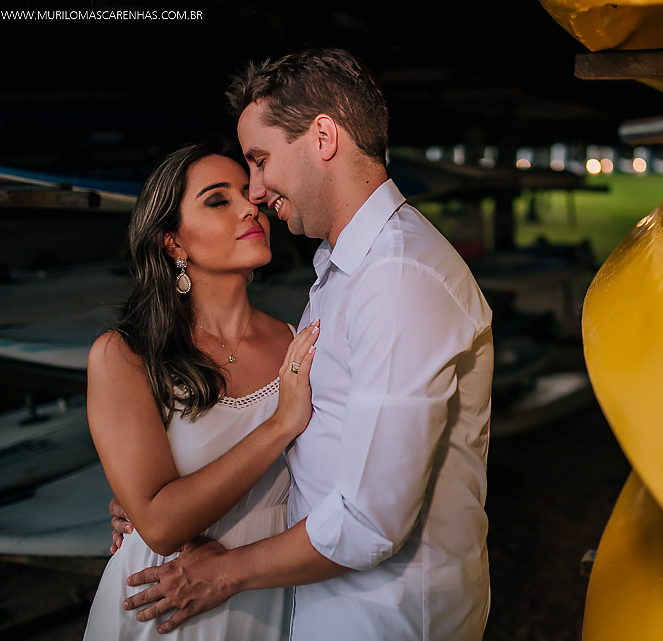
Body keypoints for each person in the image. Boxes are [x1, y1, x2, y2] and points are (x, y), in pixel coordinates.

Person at [119, 48, 494, 640]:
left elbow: (370, 520)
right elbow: (316, 440)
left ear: (323, 137)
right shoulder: (342, 270)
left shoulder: (396, 278)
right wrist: (153, 504)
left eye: (260, 162)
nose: (258, 192)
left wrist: (225, 571)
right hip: (322, 607)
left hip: (383, 619)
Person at [83, 138, 321, 640]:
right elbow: (162, 526)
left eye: (248, 194)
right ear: (173, 242)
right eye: (218, 200)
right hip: (164, 606)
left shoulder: (294, 339)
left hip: (268, 589)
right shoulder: (123, 355)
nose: (248, 207)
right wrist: (281, 425)